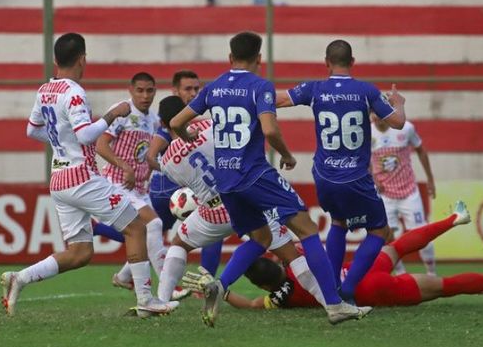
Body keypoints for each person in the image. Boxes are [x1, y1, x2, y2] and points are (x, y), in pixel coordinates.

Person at [170, 31, 369, 326]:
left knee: (261, 237)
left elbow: (175, 122)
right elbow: (270, 130)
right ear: (259, 58)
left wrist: (187, 136)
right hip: (254, 174)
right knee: (307, 229)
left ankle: (220, 285)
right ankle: (335, 305)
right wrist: (287, 156)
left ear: (229, 58)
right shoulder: (260, 86)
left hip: (226, 182)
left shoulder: (214, 88)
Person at [0, 33, 177, 317]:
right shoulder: (74, 92)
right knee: (137, 227)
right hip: (82, 177)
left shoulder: (45, 90)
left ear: (56, 60)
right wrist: (112, 115)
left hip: (58, 180)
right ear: (83, 59)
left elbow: (31, 130)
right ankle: (146, 300)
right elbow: (86, 135)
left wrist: (63, 142)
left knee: (80, 253)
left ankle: (19, 278)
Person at [188, 201, 483, 310]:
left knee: (446, 286)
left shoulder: (282, 298)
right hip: (357, 271)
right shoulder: (296, 256)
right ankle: (455, 218)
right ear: (275, 260)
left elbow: (251, 306)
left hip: (369, 292)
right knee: (398, 244)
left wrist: (217, 288)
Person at [154, 96, 327, 308]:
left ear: (162, 123)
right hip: (245, 199)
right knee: (291, 255)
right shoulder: (211, 126)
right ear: (186, 112)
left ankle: (161, 301)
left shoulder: (167, 162)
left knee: (179, 244)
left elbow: (187, 183)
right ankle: (330, 304)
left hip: (212, 212)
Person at [276, 39, 406, 303]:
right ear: (353, 62)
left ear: (326, 63)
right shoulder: (366, 91)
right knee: (379, 231)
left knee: (339, 221)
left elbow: (280, 100)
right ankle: (347, 290)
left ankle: (332, 287)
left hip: (324, 175)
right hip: (356, 176)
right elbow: (398, 122)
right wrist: (398, 102)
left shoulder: (315, 88)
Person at [145, 71, 223, 277]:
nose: (193, 93)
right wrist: (167, 171)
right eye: (188, 89)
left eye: (196, 89)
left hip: (186, 189)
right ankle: (205, 281)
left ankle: (129, 275)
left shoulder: (195, 123)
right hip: (171, 189)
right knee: (214, 228)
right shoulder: (169, 125)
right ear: (175, 91)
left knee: (152, 232)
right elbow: (151, 156)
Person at [96, 72, 169, 286]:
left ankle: (123, 277)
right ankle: (168, 284)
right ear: (131, 90)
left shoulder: (153, 119)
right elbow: (100, 145)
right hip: (117, 182)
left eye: (149, 90)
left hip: (139, 188)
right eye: (140, 90)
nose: (145, 95)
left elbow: (148, 152)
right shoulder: (122, 112)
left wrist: (149, 170)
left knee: (149, 234)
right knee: (154, 224)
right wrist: (125, 166)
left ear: (155, 91)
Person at [371, 114, 437, 275]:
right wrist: (373, 180)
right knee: (387, 237)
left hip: (409, 193)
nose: (376, 117)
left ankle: (432, 273)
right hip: (385, 196)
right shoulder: (367, 133)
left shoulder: (406, 128)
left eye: (380, 113)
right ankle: (401, 274)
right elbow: (363, 161)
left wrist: (430, 179)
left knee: (422, 236)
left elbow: (421, 150)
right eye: (373, 113)